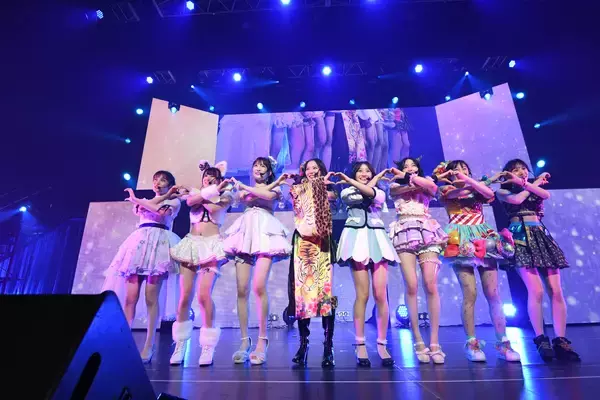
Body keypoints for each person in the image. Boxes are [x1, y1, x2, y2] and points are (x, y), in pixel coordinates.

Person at [435, 160, 520, 362]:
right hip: (459, 238)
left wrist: (480, 181)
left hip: (483, 237)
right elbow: (462, 193)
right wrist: (481, 180)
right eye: (456, 169)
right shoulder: (445, 189)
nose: (461, 171)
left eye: (465, 168)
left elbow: (488, 193)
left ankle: (504, 343)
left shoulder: (478, 187)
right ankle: (471, 343)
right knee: (470, 293)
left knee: (493, 293)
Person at [494, 159, 580, 361]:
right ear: (508, 174)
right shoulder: (502, 191)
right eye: (516, 170)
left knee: (556, 290)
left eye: (524, 168)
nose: (521, 171)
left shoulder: (534, 188)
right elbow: (517, 200)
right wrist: (531, 183)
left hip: (541, 236)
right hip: (520, 237)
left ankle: (561, 340)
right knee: (536, 290)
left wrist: (532, 184)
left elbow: (546, 195)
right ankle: (541, 339)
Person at [102, 170, 182, 363]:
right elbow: (148, 206)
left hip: (158, 245)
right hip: (139, 245)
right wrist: (139, 200)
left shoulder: (174, 202)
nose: (157, 183)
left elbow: (159, 212)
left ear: (170, 184)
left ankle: (149, 344)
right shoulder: (149, 200)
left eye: (162, 180)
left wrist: (137, 199)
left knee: (151, 298)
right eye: (155, 180)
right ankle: (124, 342)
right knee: (130, 298)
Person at [223, 156, 292, 365]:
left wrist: (245, 186)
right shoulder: (247, 189)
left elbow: (265, 195)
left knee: (259, 286)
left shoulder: (276, 188)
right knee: (241, 288)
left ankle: (262, 340)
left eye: (263, 166)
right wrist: (243, 189)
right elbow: (243, 198)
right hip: (245, 233)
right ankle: (245, 341)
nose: (258, 169)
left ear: (269, 172)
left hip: (265, 233)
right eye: (256, 165)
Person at [335, 161, 400, 367]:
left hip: (377, 240)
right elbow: (358, 196)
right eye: (360, 171)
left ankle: (382, 343)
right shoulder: (346, 192)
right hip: (356, 240)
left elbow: (372, 194)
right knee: (362, 294)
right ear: (354, 174)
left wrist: (375, 179)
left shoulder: (379, 192)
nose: (364, 174)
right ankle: (360, 343)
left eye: (368, 171)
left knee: (380, 294)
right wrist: (353, 182)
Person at [168, 161, 233, 366]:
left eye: (213, 177)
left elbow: (213, 207)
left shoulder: (226, 195)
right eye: (206, 176)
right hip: (191, 244)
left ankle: (208, 345)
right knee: (184, 297)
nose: (208, 179)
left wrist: (207, 193)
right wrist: (201, 193)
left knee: (203, 295)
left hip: (212, 246)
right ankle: (180, 343)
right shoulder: (197, 194)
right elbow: (190, 202)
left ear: (219, 180)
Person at [388, 157, 448, 364]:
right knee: (412, 285)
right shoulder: (394, 185)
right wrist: (410, 180)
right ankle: (418, 340)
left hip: (427, 231)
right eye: (405, 166)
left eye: (412, 165)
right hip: (404, 231)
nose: (409, 168)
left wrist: (410, 177)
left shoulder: (425, 182)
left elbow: (433, 188)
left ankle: (435, 342)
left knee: (430, 284)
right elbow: (400, 190)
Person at [284, 159, 337, 368]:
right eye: (308, 168)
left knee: (325, 294)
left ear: (322, 170)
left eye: (315, 168)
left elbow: (331, 197)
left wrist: (320, 185)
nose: (312, 171)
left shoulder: (329, 188)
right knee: (302, 293)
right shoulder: (298, 189)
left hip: (322, 242)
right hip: (303, 243)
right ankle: (303, 345)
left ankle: (328, 346)